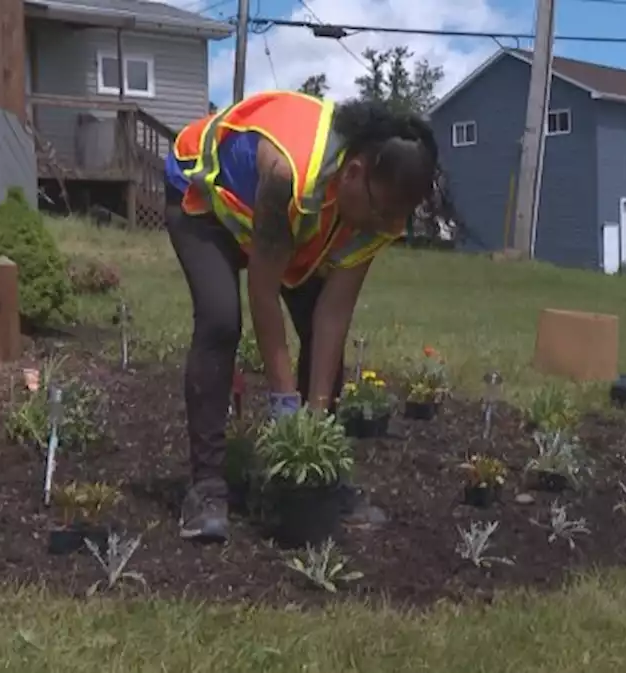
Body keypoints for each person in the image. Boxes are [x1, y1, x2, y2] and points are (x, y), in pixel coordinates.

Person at [163, 90, 450, 541]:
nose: (384, 225)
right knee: (221, 320)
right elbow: (264, 293)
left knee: (317, 330)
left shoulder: (381, 213)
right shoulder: (289, 173)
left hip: (291, 223)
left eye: (394, 218)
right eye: (380, 212)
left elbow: (333, 316)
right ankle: (207, 487)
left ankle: (321, 482)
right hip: (207, 201)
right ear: (354, 173)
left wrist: (314, 424)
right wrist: (284, 405)